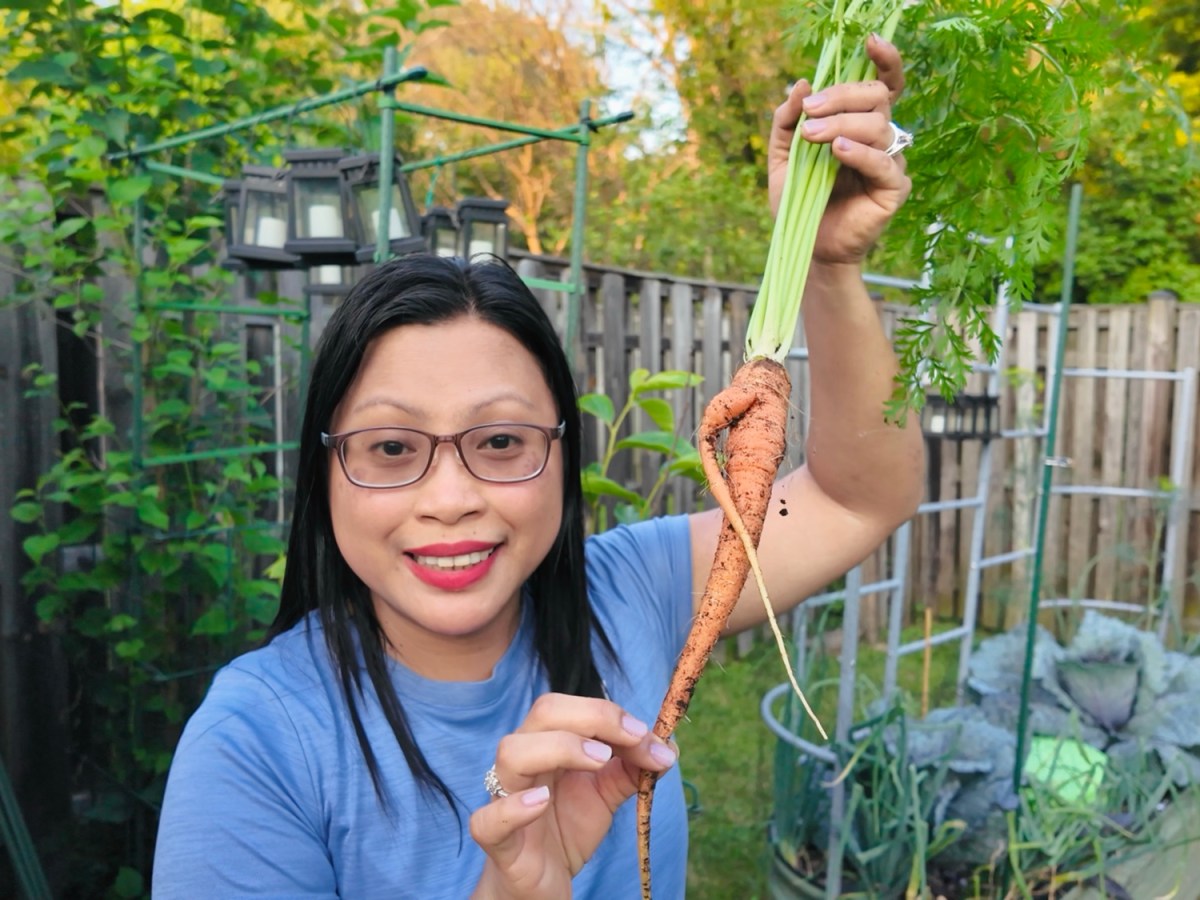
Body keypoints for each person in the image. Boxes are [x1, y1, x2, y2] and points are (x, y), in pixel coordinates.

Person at [153, 34, 923, 899]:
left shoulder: (628, 593)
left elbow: (859, 500)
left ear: (561, 453)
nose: (451, 499)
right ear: (324, 471)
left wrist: (827, 264)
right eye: (392, 448)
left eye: (501, 443)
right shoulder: (253, 745)